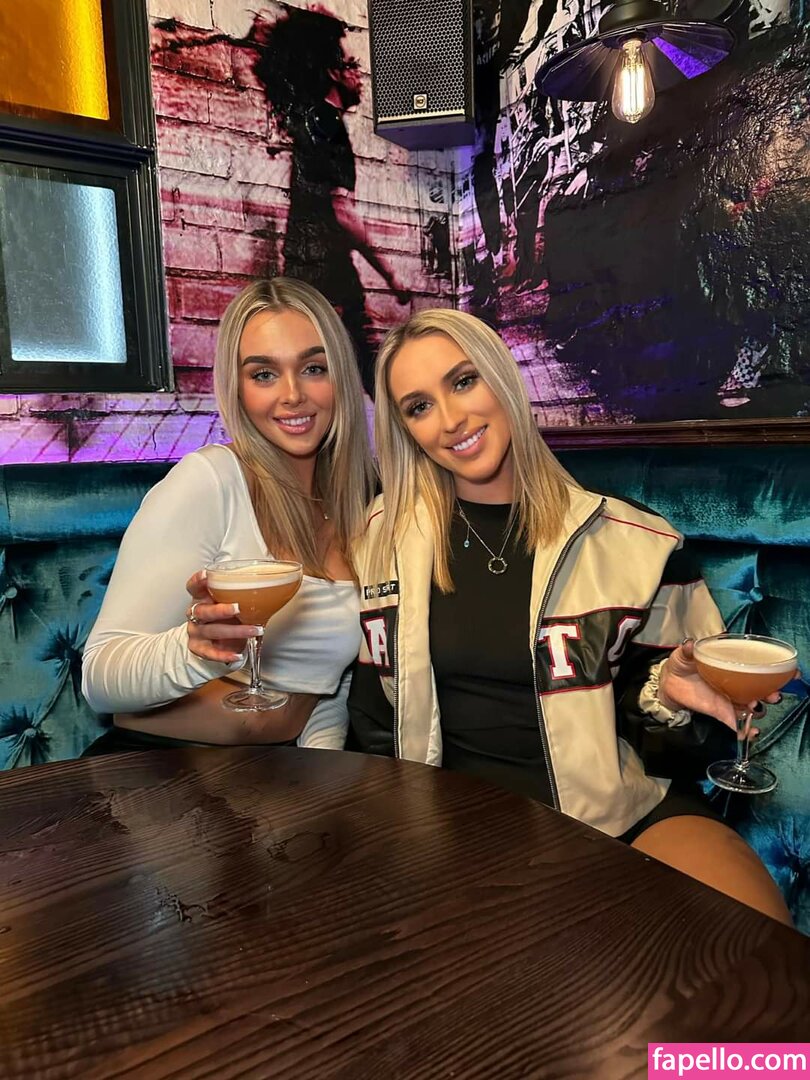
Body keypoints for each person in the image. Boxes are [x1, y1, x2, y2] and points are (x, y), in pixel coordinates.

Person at [347, 307, 792, 925]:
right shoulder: (383, 536)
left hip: (618, 817)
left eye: (464, 381)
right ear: (405, 430)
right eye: (419, 406)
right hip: (458, 830)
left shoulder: (636, 540)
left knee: (760, 953)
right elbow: (373, 715)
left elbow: (684, 745)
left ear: (503, 378)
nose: (450, 420)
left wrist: (668, 693)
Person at [82, 278, 374, 752]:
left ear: (341, 375)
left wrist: (322, 766)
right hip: (164, 770)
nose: (292, 394)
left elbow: (332, 688)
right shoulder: (210, 481)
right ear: (237, 389)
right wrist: (195, 651)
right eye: (264, 374)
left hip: (282, 774)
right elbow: (100, 678)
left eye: (313, 368)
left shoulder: (363, 501)